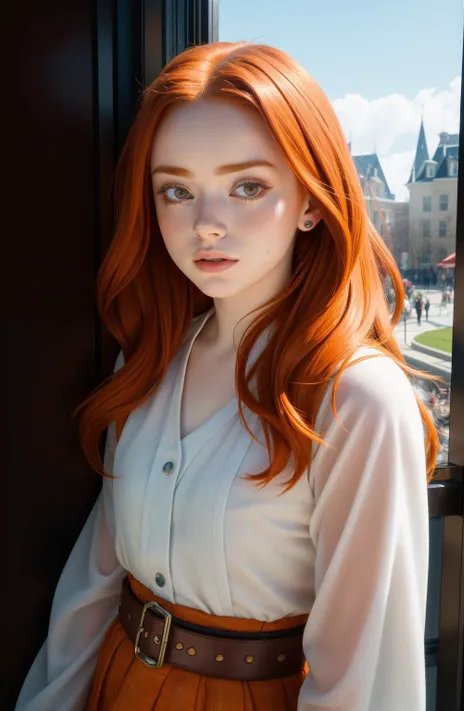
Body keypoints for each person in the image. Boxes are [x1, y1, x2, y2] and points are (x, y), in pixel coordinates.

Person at [15, 41, 438, 711]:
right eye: (176, 190)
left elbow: (365, 677)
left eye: (248, 186)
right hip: (114, 684)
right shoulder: (150, 362)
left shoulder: (357, 401)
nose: (206, 224)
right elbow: (95, 583)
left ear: (311, 201)